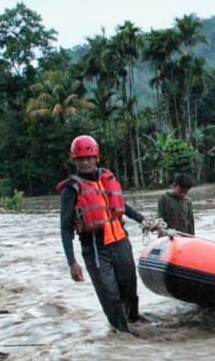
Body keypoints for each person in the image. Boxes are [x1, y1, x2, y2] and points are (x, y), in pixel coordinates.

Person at [58, 134, 156, 334]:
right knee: (110, 295)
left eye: (89, 158)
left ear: (96, 158)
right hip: (96, 248)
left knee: (129, 289)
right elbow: (65, 227)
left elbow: (121, 205)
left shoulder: (106, 178)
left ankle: (134, 322)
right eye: (81, 159)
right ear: (74, 161)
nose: (85, 162)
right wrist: (71, 262)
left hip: (121, 242)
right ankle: (123, 335)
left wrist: (143, 219)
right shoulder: (71, 189)